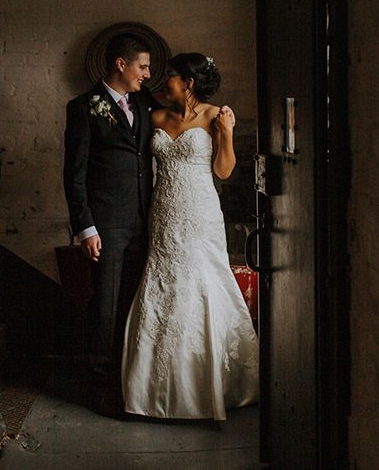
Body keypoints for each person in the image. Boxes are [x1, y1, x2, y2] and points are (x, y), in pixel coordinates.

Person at [121, 52, 259, 421]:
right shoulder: (156, 117)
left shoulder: (216, 116)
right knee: (163, 281)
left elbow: (224, 171)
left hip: (199, 211)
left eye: (171, 75)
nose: (163, 81)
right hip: (164, 213)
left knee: (203, 280)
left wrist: (227, 133)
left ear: (189, 82)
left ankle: (212, 382)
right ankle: (153, 388)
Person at [63, 33, 160, 416]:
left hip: (144, 222)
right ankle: (102, 390)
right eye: (143, 66)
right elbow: (74, 173)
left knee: (133, 307)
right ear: (121, 64)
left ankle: (129, 385)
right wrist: (86, 227)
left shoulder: (144, 102)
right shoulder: (83, 107)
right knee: (105, 308)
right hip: (106, 227)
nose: (147, 74)